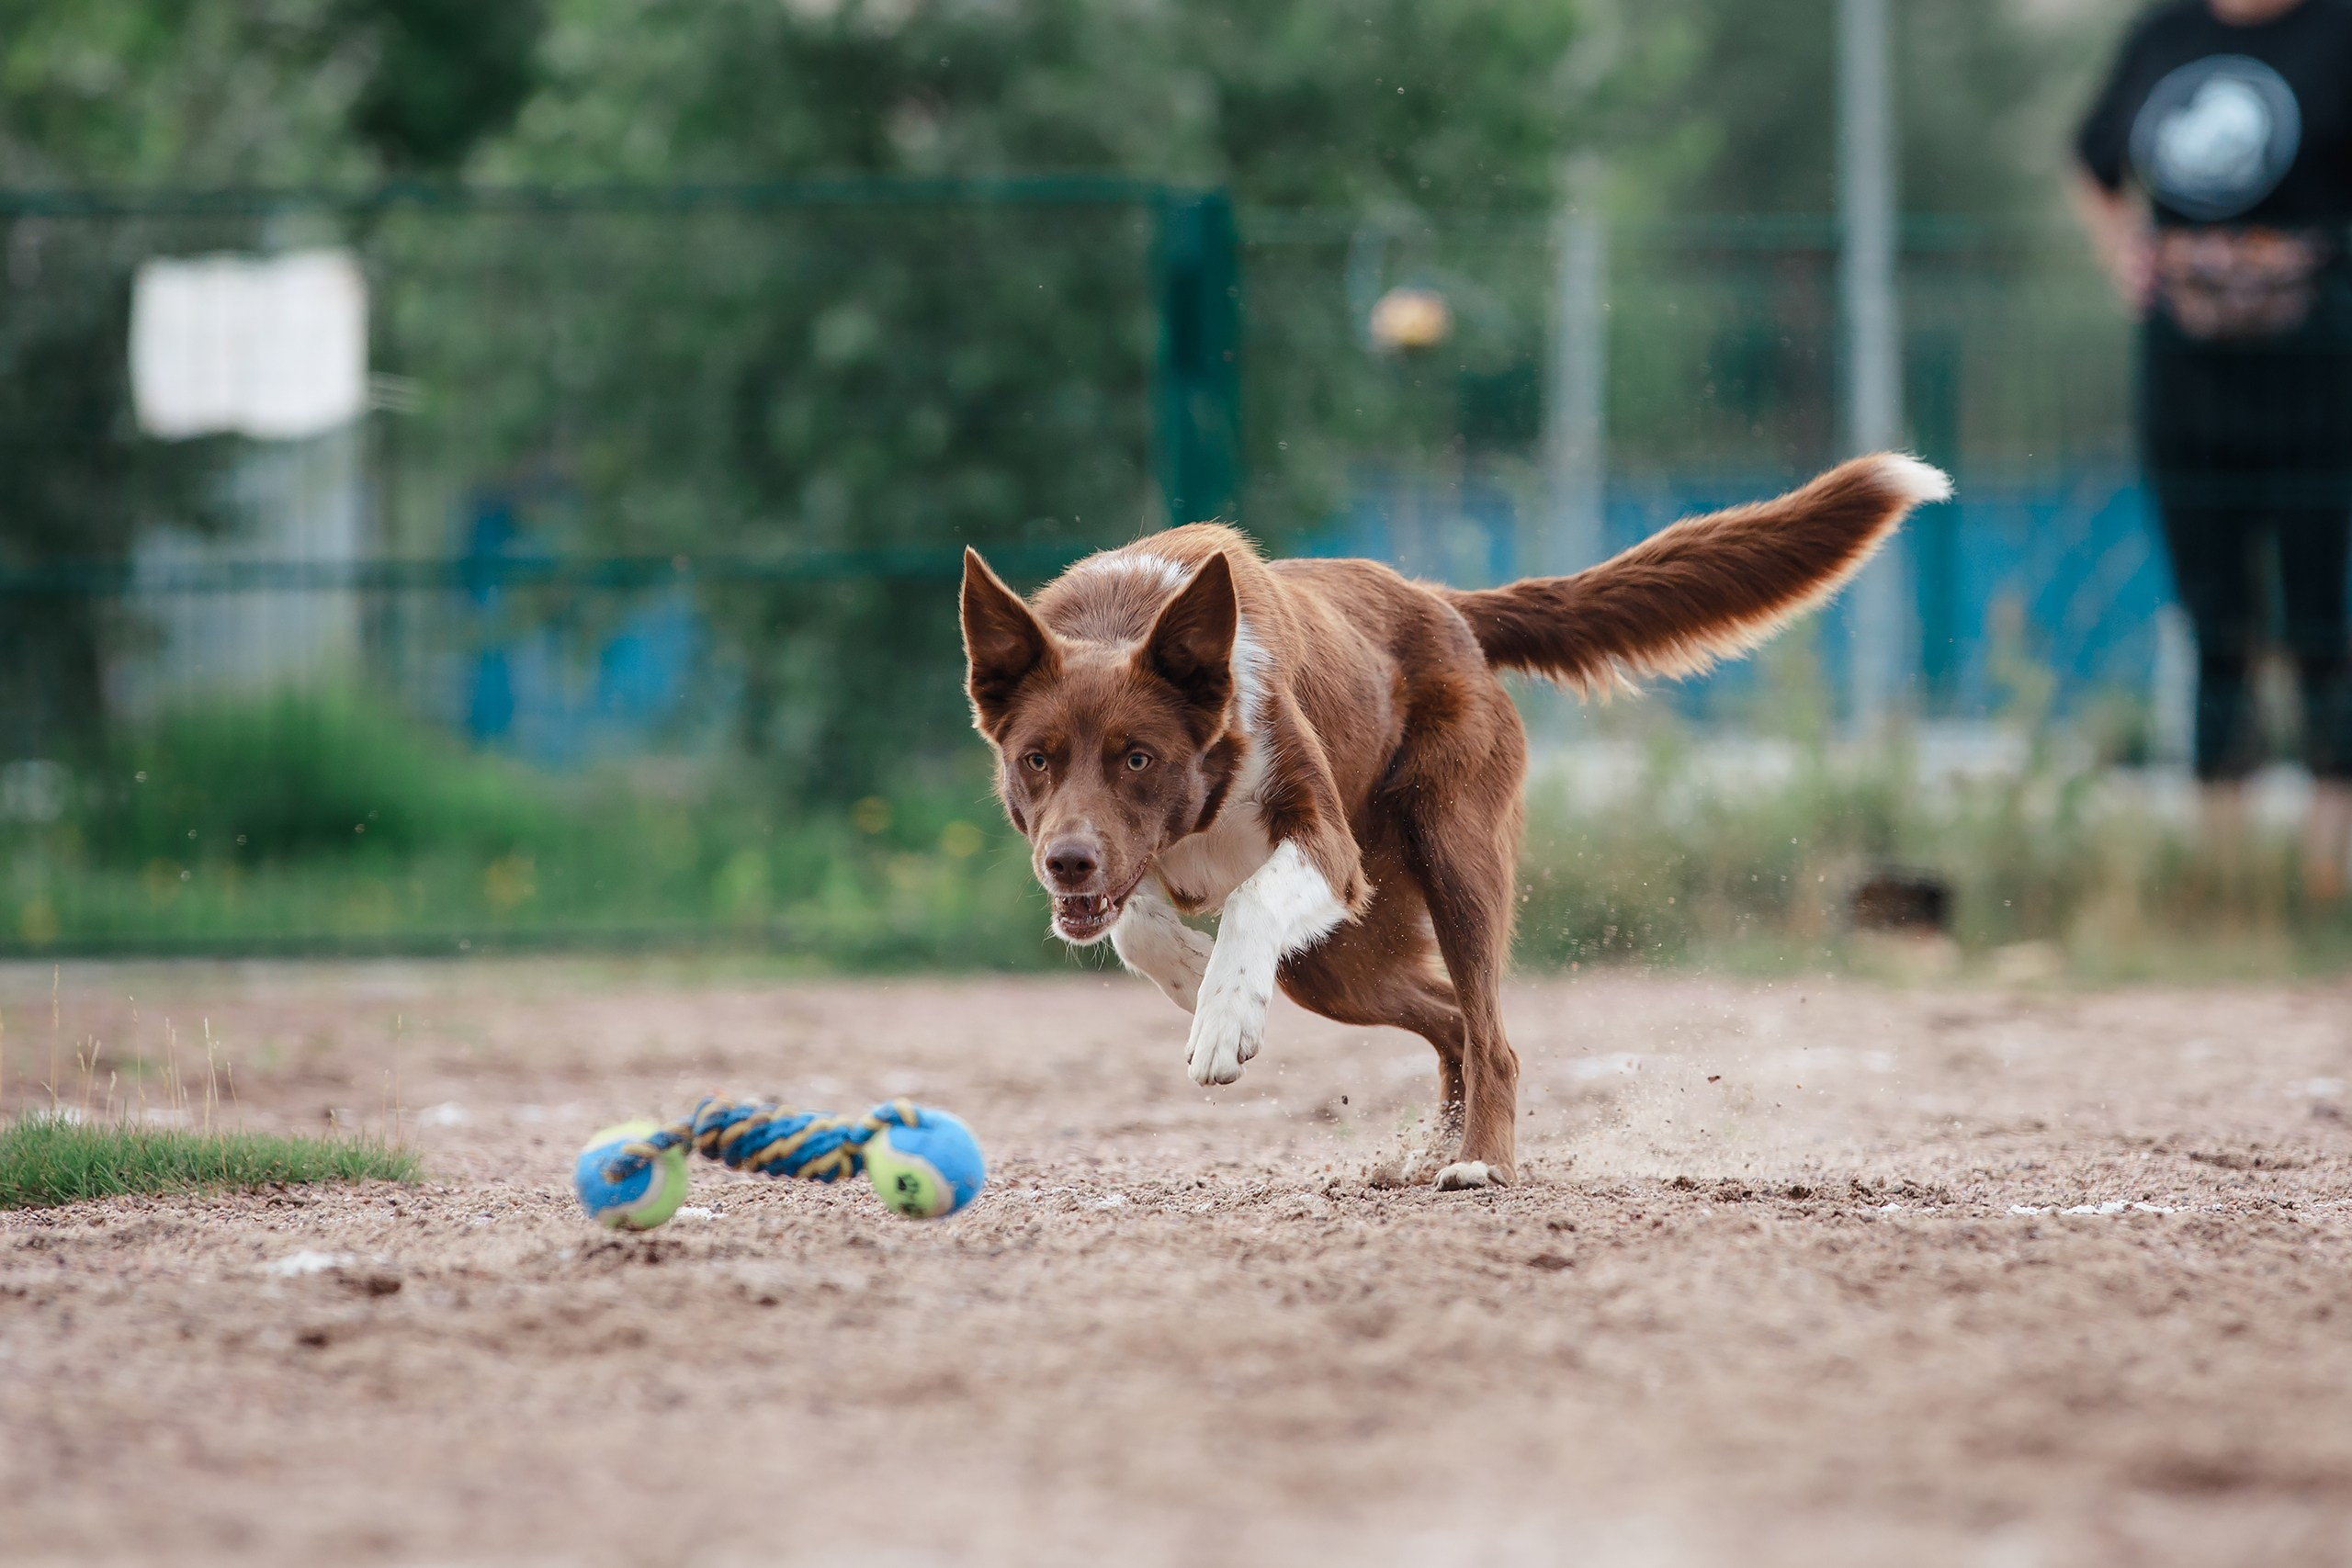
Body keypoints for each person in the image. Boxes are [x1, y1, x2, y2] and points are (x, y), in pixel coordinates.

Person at [2075, 0, 2352, 901]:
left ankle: (2326, 876)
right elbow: (2091, 163)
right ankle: (2221, 884)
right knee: (2215, 625)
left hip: (2320, 379)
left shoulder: (2336, 32)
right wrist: (2126, 256)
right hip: (2188, 385)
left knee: (2322, 623)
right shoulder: (2163, 35)